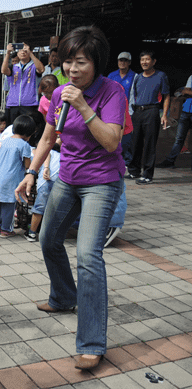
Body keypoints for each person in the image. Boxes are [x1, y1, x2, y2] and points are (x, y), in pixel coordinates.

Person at [15, 26, 126, 371]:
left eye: (80, 62)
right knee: (48, 239)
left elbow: (111, 142)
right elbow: (48, 139)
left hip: (102, 182)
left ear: (96, 62)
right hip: (68, 177)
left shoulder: (113, 92)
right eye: (67, 62)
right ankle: (63, 297)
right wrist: (31, 172)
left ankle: (92, 343)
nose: (73, 69)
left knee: (88, 255)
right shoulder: (62, 91)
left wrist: (82, 105)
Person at [127, 50, 170, 185]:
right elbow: (135, 96)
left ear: (154, 61)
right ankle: (134, 172)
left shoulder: (161, 76)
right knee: (135, 142)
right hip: (138, 112)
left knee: (150, 144)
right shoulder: (138, 77)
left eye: (147, 59)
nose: (144, 62)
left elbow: (166, 96)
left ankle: (147, 175)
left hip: (152, 111)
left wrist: (164, 115)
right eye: (142, 60)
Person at [0, 115, 34, 238]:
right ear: (28, 133)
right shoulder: (24, 145)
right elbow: (27, 165)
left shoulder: (5, 140)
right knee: (9, 205)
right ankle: (6, 230)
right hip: (11, 179)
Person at [1, 42, 44, 124]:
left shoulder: (34, 66)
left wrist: (30, 53)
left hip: (29, 104)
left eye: (25, 50)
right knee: (13, 129)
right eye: (20, 50)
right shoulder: (14, 67)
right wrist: (8, 53)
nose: (23, 52)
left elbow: (41, 69)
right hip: (13, 104)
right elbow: (3, 70)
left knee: (28, 129)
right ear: (17, 53)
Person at [157, 75, 192, 169]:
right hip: (186, 112)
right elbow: (184, 91)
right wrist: (187, 92)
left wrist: (188, 92)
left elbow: (187, 91)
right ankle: (170, 161)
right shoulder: (191, 77)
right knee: (179, 139)